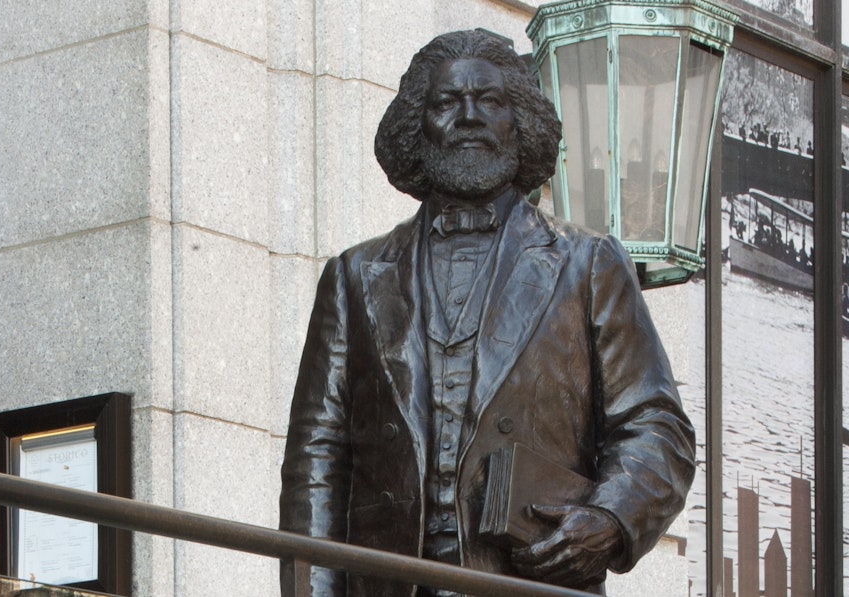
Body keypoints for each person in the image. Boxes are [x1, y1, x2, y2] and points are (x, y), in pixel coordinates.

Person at [279, 29, 695, 597]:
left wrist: (609, 519)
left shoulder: (587, 264)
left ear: (519, 121)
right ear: (417, 125)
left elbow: (655, 425)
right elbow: (316, 458)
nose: (469, 116)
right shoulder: (356, 275)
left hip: (531, 581)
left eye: (490, 100)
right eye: (447, 102)